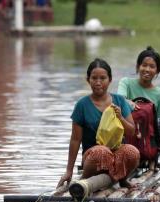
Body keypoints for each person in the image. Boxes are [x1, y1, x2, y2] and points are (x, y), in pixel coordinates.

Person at [57, 58, 140, 191]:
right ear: (88, 80)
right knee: (102, 152)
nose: (98, 82)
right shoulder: (82, 105)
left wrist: (120, 118)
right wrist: (69, 171)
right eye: (94, 78)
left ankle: (122, 179)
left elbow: (131, 131)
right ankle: (85, 179)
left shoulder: (119, 101)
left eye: (103, 78)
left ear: (110, 79)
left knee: (132, 152)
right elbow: (75, 139)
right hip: (93, 156)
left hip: (116, 154)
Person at [117, 46, 160, 165]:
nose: (147, 69)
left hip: (148, 141)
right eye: (144, 65)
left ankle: (150, 155)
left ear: (157, 71)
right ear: (138, 66)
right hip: (127, 135)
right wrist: (128, 102)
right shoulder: (126, 83)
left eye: (152, 66)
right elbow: (119, 100)